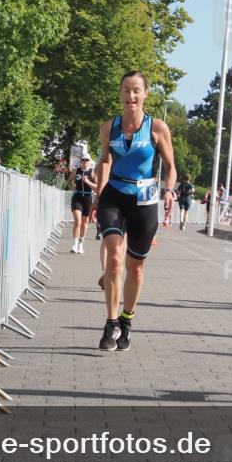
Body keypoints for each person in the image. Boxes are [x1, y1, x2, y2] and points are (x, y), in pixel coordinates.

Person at [91, 71, 176, 351]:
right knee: (114, 258)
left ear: (145, 94)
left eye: (136, 90)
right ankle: (110, 322)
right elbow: (105, 161)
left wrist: (169, 191)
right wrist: (97, 194)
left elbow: (171, 167)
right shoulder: (109, 128)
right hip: (114, 194)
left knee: (135, 268)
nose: (131, 96)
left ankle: (127, 320)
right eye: (126, 90)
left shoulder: (157, 128)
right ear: (120, 93)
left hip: (145, 197)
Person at [68, 156, 97, 253]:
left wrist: (88, 182)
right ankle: (74, 245)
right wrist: (72, 186)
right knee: (78, 221)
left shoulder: (92, 172)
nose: (85, 162)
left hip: (88, 198)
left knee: (84, 224)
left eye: (86, 160)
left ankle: (81, 244)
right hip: (77, 197)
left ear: (89, 162)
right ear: (81, 161)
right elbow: (70, 180)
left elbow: (97, 188)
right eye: (83, 160)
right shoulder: (76, 171)